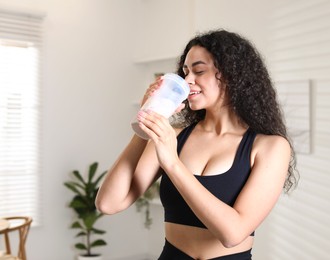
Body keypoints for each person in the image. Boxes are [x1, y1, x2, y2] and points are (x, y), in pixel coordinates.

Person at [95, 29, 298, 260]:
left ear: (232, 75)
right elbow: (108, 203)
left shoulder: (270, 147)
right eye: (185, 72)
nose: (187, 80)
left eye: (199, 71)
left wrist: (172, 163)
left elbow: (233, 234)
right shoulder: (173, 137)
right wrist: (145, 122)